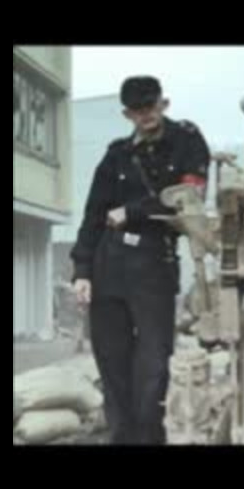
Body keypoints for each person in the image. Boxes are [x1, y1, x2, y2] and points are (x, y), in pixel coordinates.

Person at [70, 75, 211, 444]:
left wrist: (132, 212)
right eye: (137, 110)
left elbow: (189, 197)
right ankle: (121, 437)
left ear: (163, 103)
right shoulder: (116, 154)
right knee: (112, 364)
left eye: (151, 106)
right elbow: (93, 215)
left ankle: (149, 438)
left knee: (153, 367)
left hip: (154, 265)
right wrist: (82, 271)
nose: (146, 114)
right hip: (109, 264)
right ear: (127, 114)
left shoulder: (187, 140)